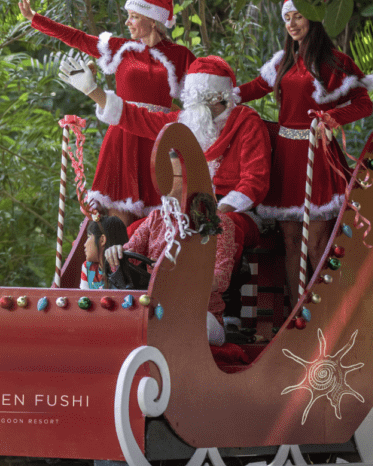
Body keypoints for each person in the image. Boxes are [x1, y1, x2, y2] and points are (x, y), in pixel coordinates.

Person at [60, 55, 271, 345]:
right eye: (193, 99)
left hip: (231, 208)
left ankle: (224, 310)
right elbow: (138, 118)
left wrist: (214, 209)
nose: (193, 106)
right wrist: (94, 92)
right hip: (181, 209)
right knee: (134, 233)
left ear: (219, 99)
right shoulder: (186, 121)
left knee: (216, 227)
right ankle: (113, 298)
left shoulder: (247, 123)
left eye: (201, 99)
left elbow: (254, 180)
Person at [19, 0, 194, 223]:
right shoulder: (120, 48)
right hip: (122, 138)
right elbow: (77, 38)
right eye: (129, 16)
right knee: (118, 222)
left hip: (159, 139)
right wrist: (34, 18)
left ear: (153, 21)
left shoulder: (181, 55)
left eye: (134, 16)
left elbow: (204, 90)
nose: (128, 22)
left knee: (158, 222)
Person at [235, 0, 373, 297]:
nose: (292, 24)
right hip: (287, 157)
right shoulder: (283, 61)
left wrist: (332, 117)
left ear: (312, 17)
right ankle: (296, 317)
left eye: (298, 16)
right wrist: (220, 96)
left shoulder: (336, 62)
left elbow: (364, 104)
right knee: (290, 242)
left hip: (318, 156)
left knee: (317, 244)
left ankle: (325, 315)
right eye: (287, 18)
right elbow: (253, 89)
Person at [80, 215, 128, 290]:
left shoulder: (127, 266)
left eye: (89, 237)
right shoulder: (88, 267)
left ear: (102, 240)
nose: (85, 244)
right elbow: (84, 298)